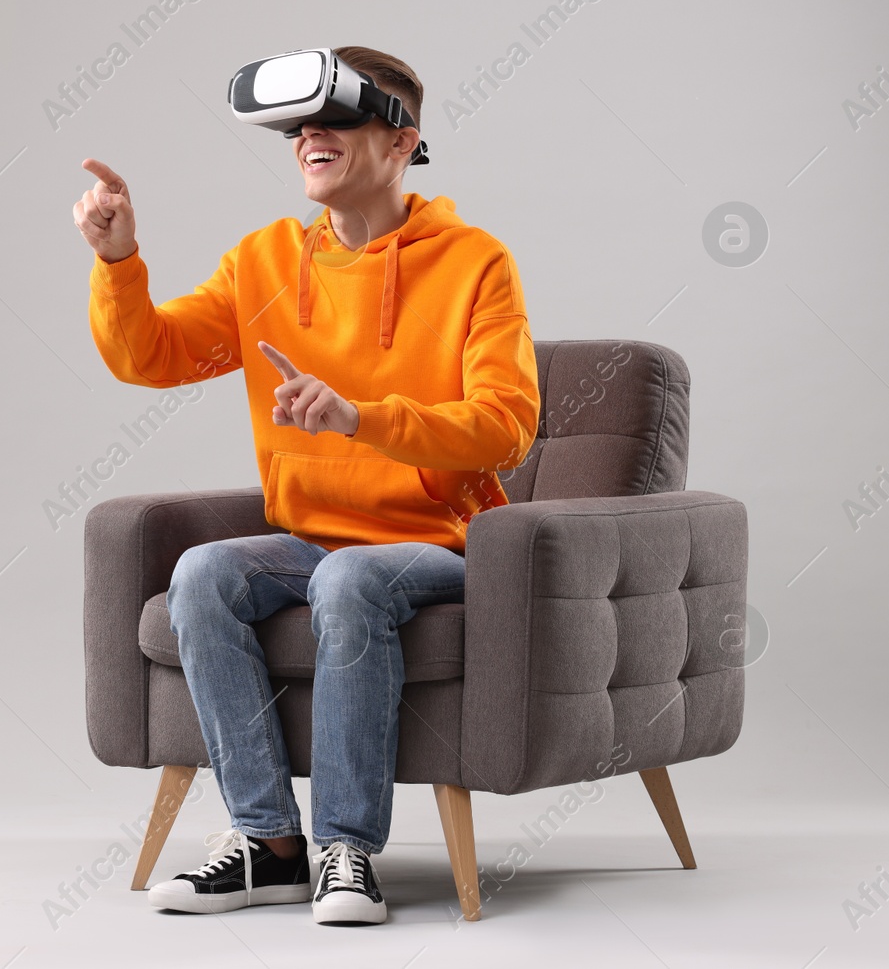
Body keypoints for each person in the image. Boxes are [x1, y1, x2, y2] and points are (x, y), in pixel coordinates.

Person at [74, 46, 540, 925]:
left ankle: (348, 851)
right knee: (203, 573)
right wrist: (120, 262)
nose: (308, 137)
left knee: (350, 577)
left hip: (438, 543)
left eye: (336, 119)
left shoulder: (477, 263)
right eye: (297, 126)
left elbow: (506, 426)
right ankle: (271, 845)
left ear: (402, 143)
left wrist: (362, 417)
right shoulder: (263, 262)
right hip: (312, 536)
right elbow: (152, 356)